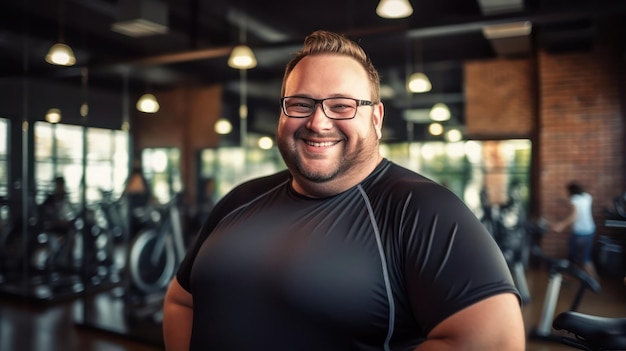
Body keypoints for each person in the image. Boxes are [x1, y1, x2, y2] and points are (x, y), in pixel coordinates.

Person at [163, 30, 525, 350]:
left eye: (341, 106)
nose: (318, 122)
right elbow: (181, 301)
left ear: (376, 118)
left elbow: (495, 342)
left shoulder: (422, 209)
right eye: (301, 104)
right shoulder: (241, 199)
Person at [551, 181, 599, 279]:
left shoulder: (574, 199)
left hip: (580, 232)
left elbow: (574, 215)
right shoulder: (587, 197)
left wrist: (561, 225)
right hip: (590, 230)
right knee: (586, 257)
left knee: (574, 256)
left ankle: (568, 276)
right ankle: (594, 279)